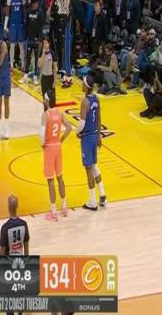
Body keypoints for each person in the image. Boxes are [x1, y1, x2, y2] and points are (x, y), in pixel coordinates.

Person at [40, 90, 72, 221]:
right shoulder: (60, 113)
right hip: (58, 146)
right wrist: (61, 140)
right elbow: (69, 128)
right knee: (60, 177)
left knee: (50, 180)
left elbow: (42, 134)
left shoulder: (45, 115)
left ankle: (53, 211)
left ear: (47, 101)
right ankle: (64, 207)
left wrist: (42, 144)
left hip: (49, 148)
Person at [77, 75, 107, 211]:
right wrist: (99, 135)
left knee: (88, 169)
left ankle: (93, 201)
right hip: (95, 134)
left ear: (86, 86)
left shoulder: (85, 102)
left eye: (82, 83)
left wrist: (77, 132)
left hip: (87, 137)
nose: (81, 85)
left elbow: (82, 123)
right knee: (94, 166)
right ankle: (102, 194)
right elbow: (99, 119)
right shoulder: (96, 99)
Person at [21, 0, 44, 84]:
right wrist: (26, 36)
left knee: (36, 58)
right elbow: (26, 24)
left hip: (37, 39)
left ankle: (35, 76)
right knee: (28, 57)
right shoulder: (28, 12)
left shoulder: (40, 13)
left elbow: (41, 27)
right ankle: (25, 75)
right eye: (35, 4)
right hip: (29, 38)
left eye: (37, 4)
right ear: (32, 4)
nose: (36, 5)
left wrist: (40, 39)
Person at [5, 0, 26, 69]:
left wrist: (25, 21)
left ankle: (23, 64)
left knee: (21, 44)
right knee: (12, 44)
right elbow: (7, 11)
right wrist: (5, 25)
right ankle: (11, 64)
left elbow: (24, 10)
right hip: (12, 23)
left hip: (20, 23)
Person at [38, 37, 58, 105]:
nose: (44, 45)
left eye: (46, 43)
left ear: (49, 44)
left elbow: (55, 68)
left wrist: (55, 81)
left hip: (51, 78)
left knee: (52, 98)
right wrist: (43, 54)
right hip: (44, 78)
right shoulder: (41, 53)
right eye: (43, 43)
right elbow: (39, 65)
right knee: (45, 99)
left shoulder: (53, 54)